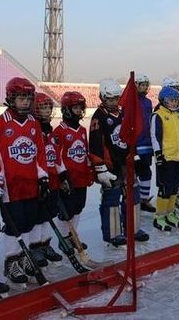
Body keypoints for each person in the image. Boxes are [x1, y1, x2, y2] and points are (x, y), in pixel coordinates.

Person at [0, 77, 47, 288]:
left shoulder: (34, 124)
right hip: (10, 186)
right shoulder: (0, 124)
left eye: (28, 98)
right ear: (11, 98)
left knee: (28, 222)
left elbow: (39, 154)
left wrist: (42, 176)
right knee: (13, 225)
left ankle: (24, 257)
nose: (25, 102)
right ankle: (11, 261)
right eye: (20, 98)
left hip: (30, 185)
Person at [89, 79, 149, 247]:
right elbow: (95, 145)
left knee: (133, 196)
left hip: (125, 163)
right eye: (110, 99)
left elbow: (131, 135)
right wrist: (100, 169)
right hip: (110, 166)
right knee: (112, 200)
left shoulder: (123, 113)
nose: (114, 102)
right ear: (102, 97)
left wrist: (134, 155)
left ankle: (133, 229)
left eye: (116, 98)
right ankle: (113, 234)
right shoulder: (98, 117)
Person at [54, 91, 94, 252]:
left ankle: (73, 235)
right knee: (67, 210)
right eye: (76, 108)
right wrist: (62, 177)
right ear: (67, 109)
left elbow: (85, 153)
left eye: (80, 108)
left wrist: (90, 172)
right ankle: (63, 239)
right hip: (68, 179)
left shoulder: (82, 130)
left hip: (81, 177)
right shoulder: (60, 131)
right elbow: (56, 157)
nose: (79, 111)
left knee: (78, 207)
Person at [30, 92, 65, 267]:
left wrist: (63, 174)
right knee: (38, 216)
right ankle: (35, 247)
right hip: (39, 182)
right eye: (42, 108)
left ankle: (45, 244)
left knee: (49, 214)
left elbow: (56, 156)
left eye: (47, 108)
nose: (45, 111)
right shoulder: (34, 130)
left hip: (52, 181)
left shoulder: (50, 131)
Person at [150, 87, 179, 231]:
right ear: (163, 101)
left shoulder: (177, 115)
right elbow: (154, 136)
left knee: (174, 188)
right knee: (165, 188)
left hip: (178, 156)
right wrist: (158, 154)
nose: (174, 103)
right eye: (171, 100)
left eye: (176, 100)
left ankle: (170, 212)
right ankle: (159, 216)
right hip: (166, 158)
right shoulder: (157, 115)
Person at [134, 73, 155, 213]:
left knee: (146, 173)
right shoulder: (131, 101)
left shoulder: (148, 102)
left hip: (147, 143)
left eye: (146, 85)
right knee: (134, 174)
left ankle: (143, 199)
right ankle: (133, 200)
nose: (145, 87)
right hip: (136, 144)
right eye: (142, 85)